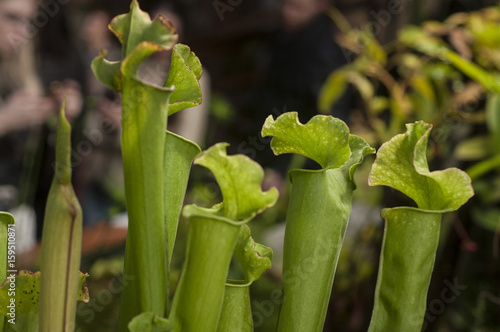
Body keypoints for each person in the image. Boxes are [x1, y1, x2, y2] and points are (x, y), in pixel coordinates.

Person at [0, 0, 82, 249]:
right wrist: (5, 119)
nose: (23, 30)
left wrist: (63, 119)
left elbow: (46, 168)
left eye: (30, 21)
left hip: (15, 213)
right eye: (12, 17)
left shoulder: (25, 70)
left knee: (11, 286)